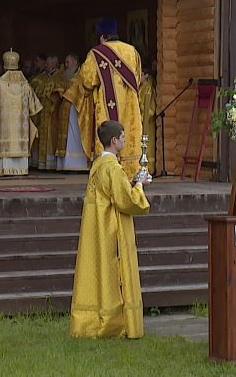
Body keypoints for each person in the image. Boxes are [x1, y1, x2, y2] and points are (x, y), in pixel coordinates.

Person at [69, 120, 151, 339]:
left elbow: (113, 192)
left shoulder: (98, 165)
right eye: (123, 137)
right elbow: (126, 200)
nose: (125, 140)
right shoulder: (113, 168)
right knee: (113, 274)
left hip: (97, 227)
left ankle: (91, 321)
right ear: (114, 141)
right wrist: (140, 185)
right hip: (111, 230)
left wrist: (132, 181)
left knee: (98, 273)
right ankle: (114, 323)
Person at [66, 18, 144, 179]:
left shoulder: (96, 53)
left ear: (102, 37)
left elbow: (87, 81)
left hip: (106, 108)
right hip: (130, 108)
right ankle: (131, 174)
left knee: (108, 136)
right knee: (129, 136)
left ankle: (107, 175)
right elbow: (136, 80)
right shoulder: (132, 51)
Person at [0, 50, 43, 176]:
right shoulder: (25, 84)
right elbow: (34, 108)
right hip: (21, 130)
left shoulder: (0, 84)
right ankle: (20, 169)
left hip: (5, 129)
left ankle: (4, 169)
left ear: (5, 66)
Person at [56, 53, 89, 172]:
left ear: (75, 62)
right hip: (66, 108)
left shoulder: (81, 75)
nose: (66, 65)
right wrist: (60, 92)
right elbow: (59, 85)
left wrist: (66, 94)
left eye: (68, 62)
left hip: (77, 110)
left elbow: (79, 90)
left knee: (75, 136)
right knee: (68, 137)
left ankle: (77, 164)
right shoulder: (65, 75)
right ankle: (67, 164)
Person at [138, 63, 157, 173]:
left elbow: (151, 109)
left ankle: (148, 169)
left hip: (147, 123)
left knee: (148, 146)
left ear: (145, 75)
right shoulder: (140, 87)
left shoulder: (149, 88)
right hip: (140, 121)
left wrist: (140, 105)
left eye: (140, 74)